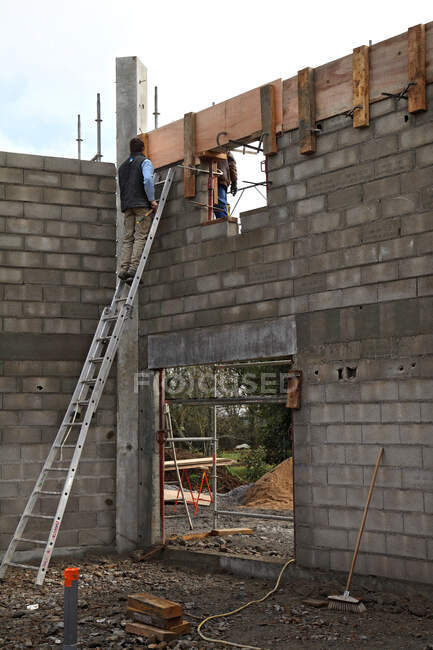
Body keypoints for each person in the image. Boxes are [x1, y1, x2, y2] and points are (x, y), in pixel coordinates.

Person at [117, 137, 158, 282]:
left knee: (128, 238)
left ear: (130, 149)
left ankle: (123, 269)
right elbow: (147, 180)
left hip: (127, 207)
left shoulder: (122, 167)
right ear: (143, 149)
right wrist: (152, 200)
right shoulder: (145, 162)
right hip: (141, 206)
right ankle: (133, 268)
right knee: (140, 236)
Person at [215, 151, 237, 219]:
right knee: (220, 205)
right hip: (219, 180)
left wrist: (234, 182)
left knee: (220, 206)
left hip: (220, 180)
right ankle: (224, 223)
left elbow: (232, 166)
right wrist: (234, 183)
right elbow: (232, 166)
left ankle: (224, 224)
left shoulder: (225, 150)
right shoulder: (226, 150)